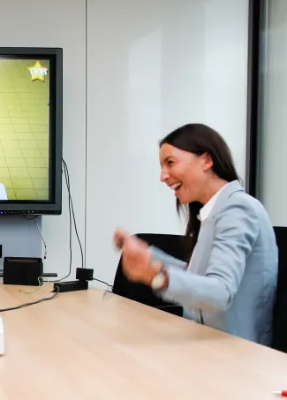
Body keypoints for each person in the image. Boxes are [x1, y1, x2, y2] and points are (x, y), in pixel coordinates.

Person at [115, 123, 277, 345]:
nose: (163, 176)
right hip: (207, 342)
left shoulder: (238, 208)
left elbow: (220, 292)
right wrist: (148, 256)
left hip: (236, 353)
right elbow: (198, 278)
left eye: (170, 163)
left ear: (206, 160)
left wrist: (158, 277)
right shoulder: (216, 210)